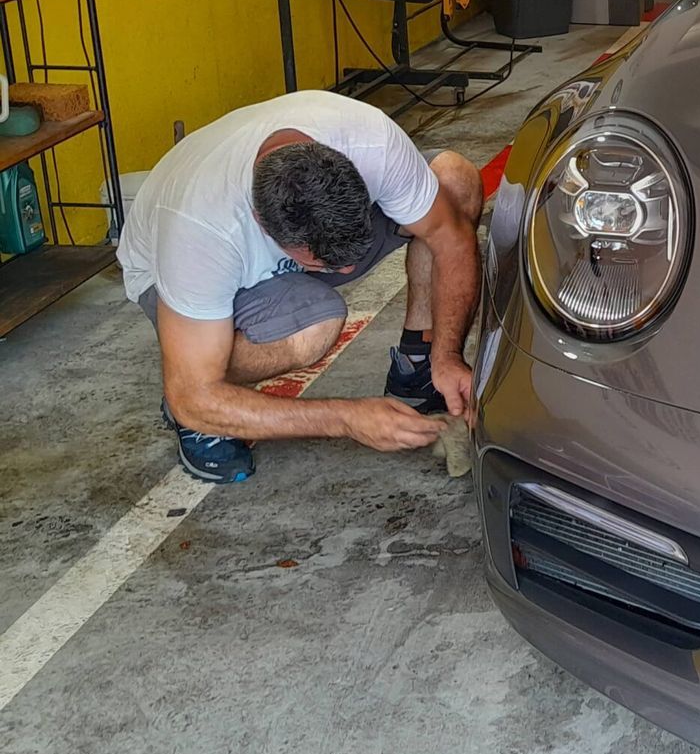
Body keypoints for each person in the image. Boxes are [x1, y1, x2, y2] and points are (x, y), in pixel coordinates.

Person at [117, 90, 483, 483]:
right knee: (312, 330)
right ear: (262, 222)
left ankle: (419, 367)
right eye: (324, 263)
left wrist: (447, 353)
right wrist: (346, 418)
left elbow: (451, 238)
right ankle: (200, 403)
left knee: (454, 183)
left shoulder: (370, 141)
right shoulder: (202, 231)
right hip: (180, 274)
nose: (347, 274)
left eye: (350, 258)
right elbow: (193, 396)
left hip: (277, 235)